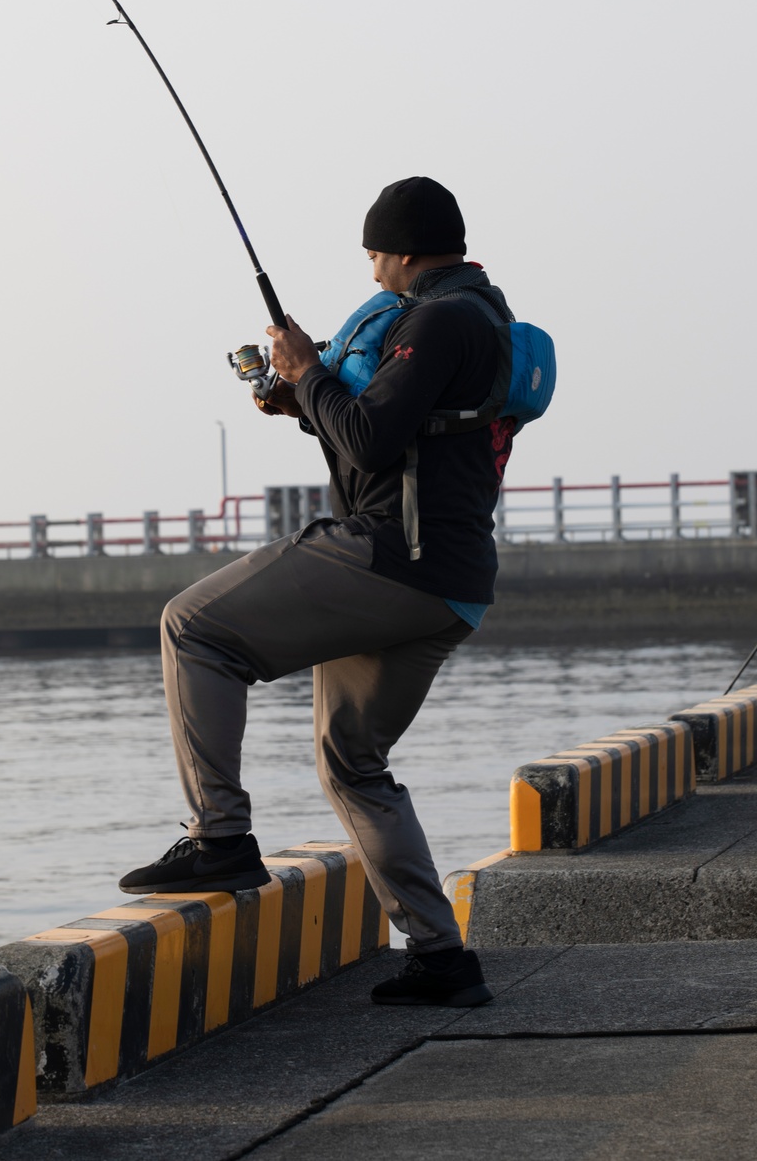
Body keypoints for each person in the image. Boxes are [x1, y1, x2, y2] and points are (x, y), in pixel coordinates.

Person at [118, 176, 519, 1008]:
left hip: (390, 558)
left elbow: (371, 441)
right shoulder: (483, 316)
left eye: (375, 253)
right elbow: (388, 432)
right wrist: (302, 398)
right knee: (354, 765)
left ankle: (221, 836)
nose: (372, 269)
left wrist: (309, 372)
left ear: (405, 251)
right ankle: (443, 957)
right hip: (448, 581)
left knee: (193, 627)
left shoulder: (439, 320)